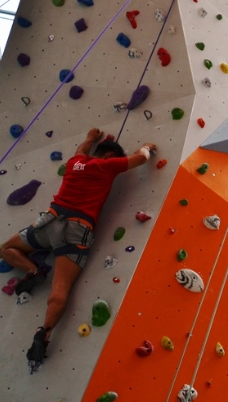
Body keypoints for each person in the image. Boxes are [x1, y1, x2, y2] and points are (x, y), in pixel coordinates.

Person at [1, 128, 156, 372]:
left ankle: (32, 270)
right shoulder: (106, 166)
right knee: (61, 287)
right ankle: (44, 332)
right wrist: (147, 146)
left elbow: (80, 150)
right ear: (109, 157)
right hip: (77, 229)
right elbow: (141, 158)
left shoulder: (76, 163)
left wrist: (90, 139)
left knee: (7, 248)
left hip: (49, 221)